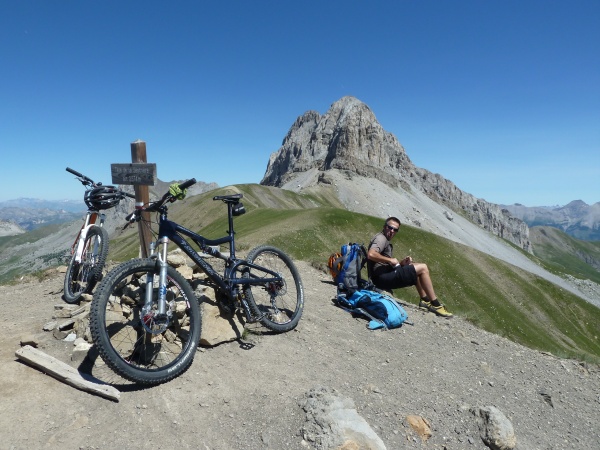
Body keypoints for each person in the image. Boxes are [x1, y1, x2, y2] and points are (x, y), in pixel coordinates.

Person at [367, 216, 453, 318]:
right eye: (390, 227)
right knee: (423, 268)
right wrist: (390, 260)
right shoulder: (380, 238)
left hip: (384, 275)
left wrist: (401, 263)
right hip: (380, 279)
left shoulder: (384, 238)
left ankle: (425, 301)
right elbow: (371, 254)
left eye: (395, 229)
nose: (392, 231)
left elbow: (383, 262)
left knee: (413, 269)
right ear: (384, 226)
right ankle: (436, 305)